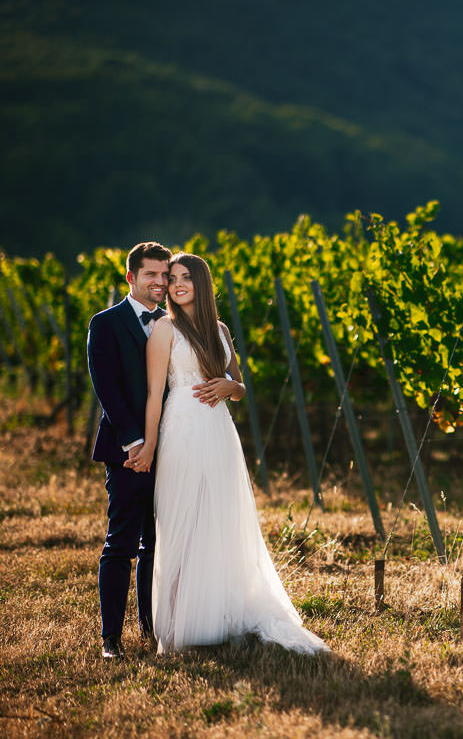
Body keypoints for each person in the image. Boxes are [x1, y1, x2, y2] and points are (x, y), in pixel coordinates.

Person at [124, 252, 329, 655]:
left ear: (202, 283)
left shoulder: (218, 329)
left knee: (218, 519)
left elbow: (239, 385)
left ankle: (218, 615)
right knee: (182, 518)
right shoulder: (164, 329)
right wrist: (148, 445)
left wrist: (227, 387)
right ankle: (184, 624)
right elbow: (153, 395)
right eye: (173, 278)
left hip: (218, 432)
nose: (177, 284)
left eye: (186, 277)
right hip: (181, 430)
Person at [86, 241, 172, 659]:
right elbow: (108, 389)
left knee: (157, 543)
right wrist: (135, 442)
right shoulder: (106, 323)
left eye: (164, 274)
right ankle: (110, 639)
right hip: (127, 451)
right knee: (121, 541)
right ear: (131, 277)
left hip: (173, 449)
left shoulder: (177, 323)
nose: (160, 282)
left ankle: (151, 629)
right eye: (151, 274)